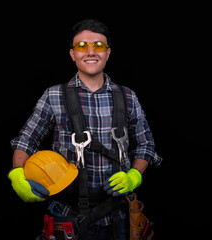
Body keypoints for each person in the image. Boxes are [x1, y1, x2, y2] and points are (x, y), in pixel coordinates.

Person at [9, 19, 162, 240]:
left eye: (98, 45)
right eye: (82, 46)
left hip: (118, 215)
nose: (90, 52)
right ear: (72, 54)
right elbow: (26, 141)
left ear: (108, 53)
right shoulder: (54, 95)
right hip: (67, 216)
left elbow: (146, 145)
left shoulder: (127, 96)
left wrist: (134, 176)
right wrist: (17, 175)